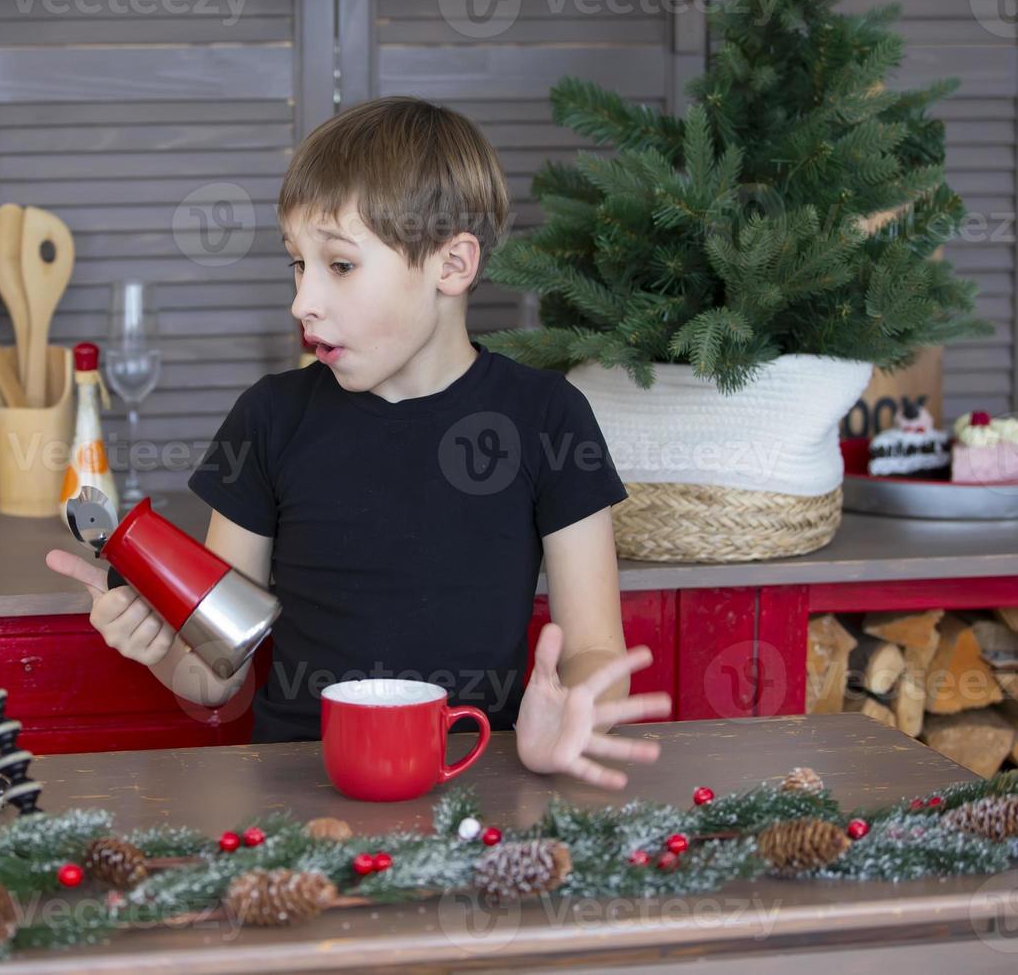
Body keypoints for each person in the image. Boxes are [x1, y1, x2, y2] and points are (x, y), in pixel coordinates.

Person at [47, 96, 671, 790]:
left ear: (452, 265)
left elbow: (591, 649)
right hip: (296, 794)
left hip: (477, 780)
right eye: (297, 264)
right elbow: (211, 677)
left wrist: (579, 709)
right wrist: (162, 648)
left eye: (339, 266)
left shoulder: (551, 418)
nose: (302, 301)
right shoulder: (268, 419)